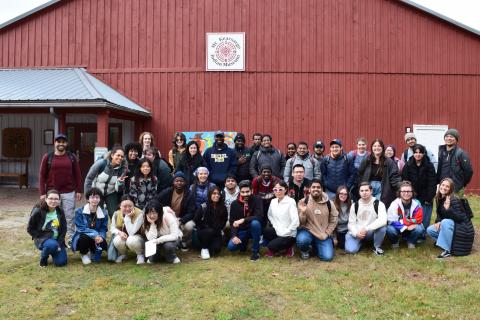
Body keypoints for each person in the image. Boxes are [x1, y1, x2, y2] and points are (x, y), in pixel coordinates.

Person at [39, 133, 82, 246]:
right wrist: (42, 193)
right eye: (58, 141)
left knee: (69, 217)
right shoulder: (47, 157)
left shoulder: (72, 157)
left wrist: (79, 190)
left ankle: (72, 240)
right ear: (55, 143)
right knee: (53, 217)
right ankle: (55, 239)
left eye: (63, 142)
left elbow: (77, 174)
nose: (61, 144)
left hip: (69, 192)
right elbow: (42, 175)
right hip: (52, 194)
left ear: (66, 144)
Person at [427, 178, 474, 258]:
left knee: (445, 222)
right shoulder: (439, 198)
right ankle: (444, 242)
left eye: (447, 186)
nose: (444, 188)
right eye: (443, 185)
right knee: (430, 230)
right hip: (453, 226)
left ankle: (447, 250)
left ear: (450, 189)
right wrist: (438, 221)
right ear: (440, 185)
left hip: (463, 229)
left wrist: (448, 209)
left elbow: (460, 218)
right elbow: (440, 214)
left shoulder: (454, 199)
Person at [296, 179, 338, 261]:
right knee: (302, 240)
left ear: (322, 189)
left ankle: (315, 247)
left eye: (318, 187)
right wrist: (303, 213)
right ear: (309, 189)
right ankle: (306, 250)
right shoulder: (303, 202)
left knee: (328, 257)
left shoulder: (330, 203)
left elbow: (334, 220)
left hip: (323, 234)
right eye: (313, 187)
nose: (316, 189)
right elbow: (300, 223)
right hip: (308, 232)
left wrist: (327, 233)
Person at [402, 144, 437, 237]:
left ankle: (422, 234)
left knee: (425, 216)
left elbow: (432, 182)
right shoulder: (408, 165)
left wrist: (429, 197)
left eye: (420, 152)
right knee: (411, 215)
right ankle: (409, 233)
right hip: (412, 194)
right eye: (416, 152)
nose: (418, 154)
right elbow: (405, 181)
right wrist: (408, 195)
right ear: (413, 153)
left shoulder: (429, 165)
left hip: (426, 195)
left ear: (424, 153)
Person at [156, 172, 196, 251]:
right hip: (168, 218)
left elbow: (191, 212)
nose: (179, 183)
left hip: (181, 218)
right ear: (173, 182)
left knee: (190, 226)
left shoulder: (189, 194)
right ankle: (171, 243)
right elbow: (155, 200)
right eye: (177, 181)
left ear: (185, 182)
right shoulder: (167, 191)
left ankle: (184, 241)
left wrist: (181, 220)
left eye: (181, 181)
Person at [27, 189, 67, 267]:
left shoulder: (60, 211)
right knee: (51, 245)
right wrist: (41, 237)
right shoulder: (38, 211)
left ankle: (52, 248)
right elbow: (30, 229)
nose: (53, 201)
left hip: (57, 239)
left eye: (56, 199)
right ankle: (44, 257)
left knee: (61, 262)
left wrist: (59, 243)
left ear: (59, 200)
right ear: (46, 199)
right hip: (44, 239)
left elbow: (63, 229)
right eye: (50, 198)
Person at [84, 146, 127, 218]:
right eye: (118, 155)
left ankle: (114, 229)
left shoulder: (122, 169)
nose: (120, 158)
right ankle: (97, 228)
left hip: (111, 192)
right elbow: (89, 179)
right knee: (97, 214)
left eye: (122, 156)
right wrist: (88, 196)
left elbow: (119, 190)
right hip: (97, 191)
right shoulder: (101, 163)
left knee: (114, 214)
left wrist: (120, 183)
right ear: (112, 155)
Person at [345, 182, 387, 255]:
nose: (364, 193)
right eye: (362, 191)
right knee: (350, 250)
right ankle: (361, 242)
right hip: (358, 232)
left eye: (366, 190)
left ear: (371, 191)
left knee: (382, 227)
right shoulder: (355, 205)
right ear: (359, 192)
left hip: (370, 231)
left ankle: (376, 247)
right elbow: (351, 224)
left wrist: (366, 229)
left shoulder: (379, 204)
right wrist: (356, 233)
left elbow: (383, 220)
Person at [358, 139, 401, 208]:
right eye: (374, 146)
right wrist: (361, 185)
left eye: (379, 146)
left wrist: (400, 187)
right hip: (368, 187)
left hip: (382, 187)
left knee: (378, 206)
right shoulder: (367, 160)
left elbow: (395, 176)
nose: (377, 148)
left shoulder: (388, 161)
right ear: (372, 148)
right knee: (368, 207)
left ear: (382, 148)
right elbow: (360, 173)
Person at [227, 180, 264, 261]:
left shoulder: (257, 199)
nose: (245, 194)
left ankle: (255, 252)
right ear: (239, 192)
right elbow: (232, 222)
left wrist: (243, 220)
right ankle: (244, 243)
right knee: (231, 247)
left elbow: (259, 216)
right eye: (242, 192)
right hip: (242, 230)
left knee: (255, 223)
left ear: (252, 190)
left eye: (247, 191)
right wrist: (234, 236)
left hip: (254, 229)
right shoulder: (234, 204)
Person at [71, 188, 108, 264]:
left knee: (103, 243)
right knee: (84, 238)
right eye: (92, 197)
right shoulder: (79, 211)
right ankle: (83, 253)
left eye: (97, 197)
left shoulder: (104, 213)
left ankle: (93, 251)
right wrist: (95, 235)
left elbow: (103, 228)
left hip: (97, 237)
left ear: (100, 199)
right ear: (88, 199)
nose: (95, 200)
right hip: (83, 236)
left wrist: (101, 237)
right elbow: (81, 228)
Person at [263, 181, 299, 257]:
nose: (278, 192)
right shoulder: (273, 201)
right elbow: (270, 215)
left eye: (280, 189)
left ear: (285, 190)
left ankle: (289, 247)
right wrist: (275, 225)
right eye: (275, 189)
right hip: (277, 230)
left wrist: (287, 231)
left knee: (270, 246)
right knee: (265, 231)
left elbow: (295, 221)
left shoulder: (290, 202)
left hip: (289, 234)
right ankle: (281, 245)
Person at [386, 181, 424, 249]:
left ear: (412, 193)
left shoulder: (417, 204)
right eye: (403, 191)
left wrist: (407, 223)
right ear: (399, 193)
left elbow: (418, 219)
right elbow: (391, 221)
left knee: (419, 228)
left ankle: (411, 242)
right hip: (398, 227)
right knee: (389, 229)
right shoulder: (394, 204)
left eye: (409, 191)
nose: (406, 193)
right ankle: (395, 242)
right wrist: (405, 226)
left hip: (411, 226)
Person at [193, 186, 228, 259]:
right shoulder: (204, 206)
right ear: (210, 195)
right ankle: (204, 248)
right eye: (214, 193)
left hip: (216, 232)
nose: (216, 196)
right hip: (203, 232)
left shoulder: (223, 207)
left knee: (216, 249)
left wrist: (218, 228)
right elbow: (196, 220)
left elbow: (224, 221)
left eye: (218, 194)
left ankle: (209, 246)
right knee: (209, 231)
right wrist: (204, 227)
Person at [436, 129, 473, 197]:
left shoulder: (461, 153)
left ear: (456, 139)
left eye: (451, 136)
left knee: (455, 207)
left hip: (456, 189)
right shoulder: (441, 151)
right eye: (447, 136)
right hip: (443, 187)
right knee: (441, 206)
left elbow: (469, 171)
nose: (449, 138)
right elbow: (439, 169)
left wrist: (462, 184)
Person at [110, 195, 145, 264]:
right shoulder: (116, 213)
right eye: (124, 206)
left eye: (130, 206)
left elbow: (131, 232)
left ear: (134, 205)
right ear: (120, 206)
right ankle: (123, 254)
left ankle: (140, 254)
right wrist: (119, 233)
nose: (127, 209)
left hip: (138, 237)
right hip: (125, 236)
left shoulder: (139, 213)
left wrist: (127, 218)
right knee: (117, 240)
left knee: (131, 240)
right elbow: (112, 228)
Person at [333, 185, 351, 250]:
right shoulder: (332, 205)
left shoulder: (350, 204)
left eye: (345, 194)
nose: (343, 196)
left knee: (348, 247)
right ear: (338, 194)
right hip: (338, 232)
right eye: (341, 193)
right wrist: (334, 238)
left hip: (348, 231)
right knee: (342, 246)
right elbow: (331, 224)